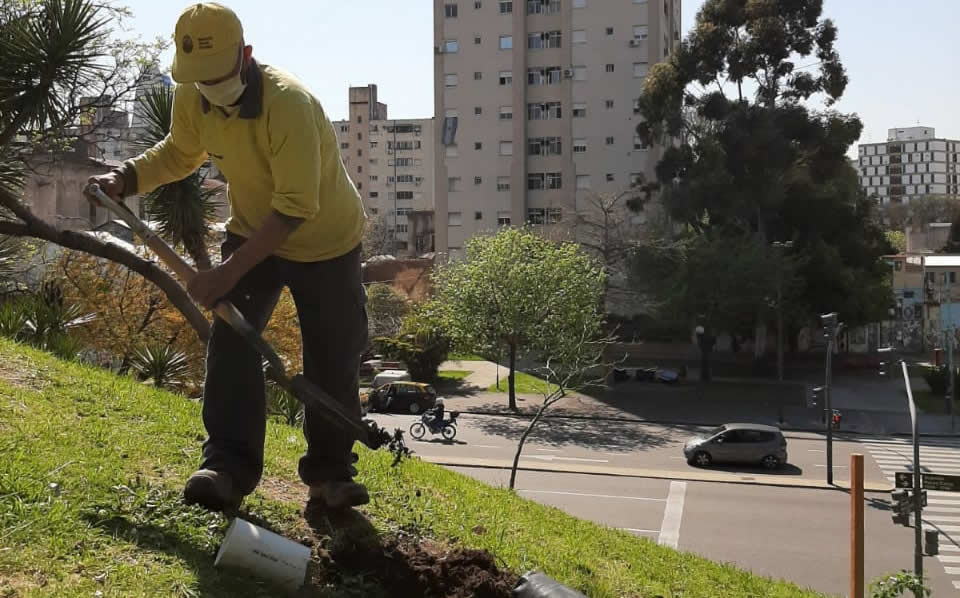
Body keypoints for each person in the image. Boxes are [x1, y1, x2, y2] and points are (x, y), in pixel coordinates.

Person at [86, 2, 369, 512]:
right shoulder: (193, 95)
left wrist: (221, 276)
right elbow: (178, 153)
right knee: (234, 341)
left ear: (247, 56)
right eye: (199, 82)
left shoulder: (291, 105)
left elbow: (293, 211)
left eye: (218, 78)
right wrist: (124, 178)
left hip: (325, 242)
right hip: (251, 232)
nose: (210, 93)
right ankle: (226, 467)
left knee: (332, 358)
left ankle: (329, 478)